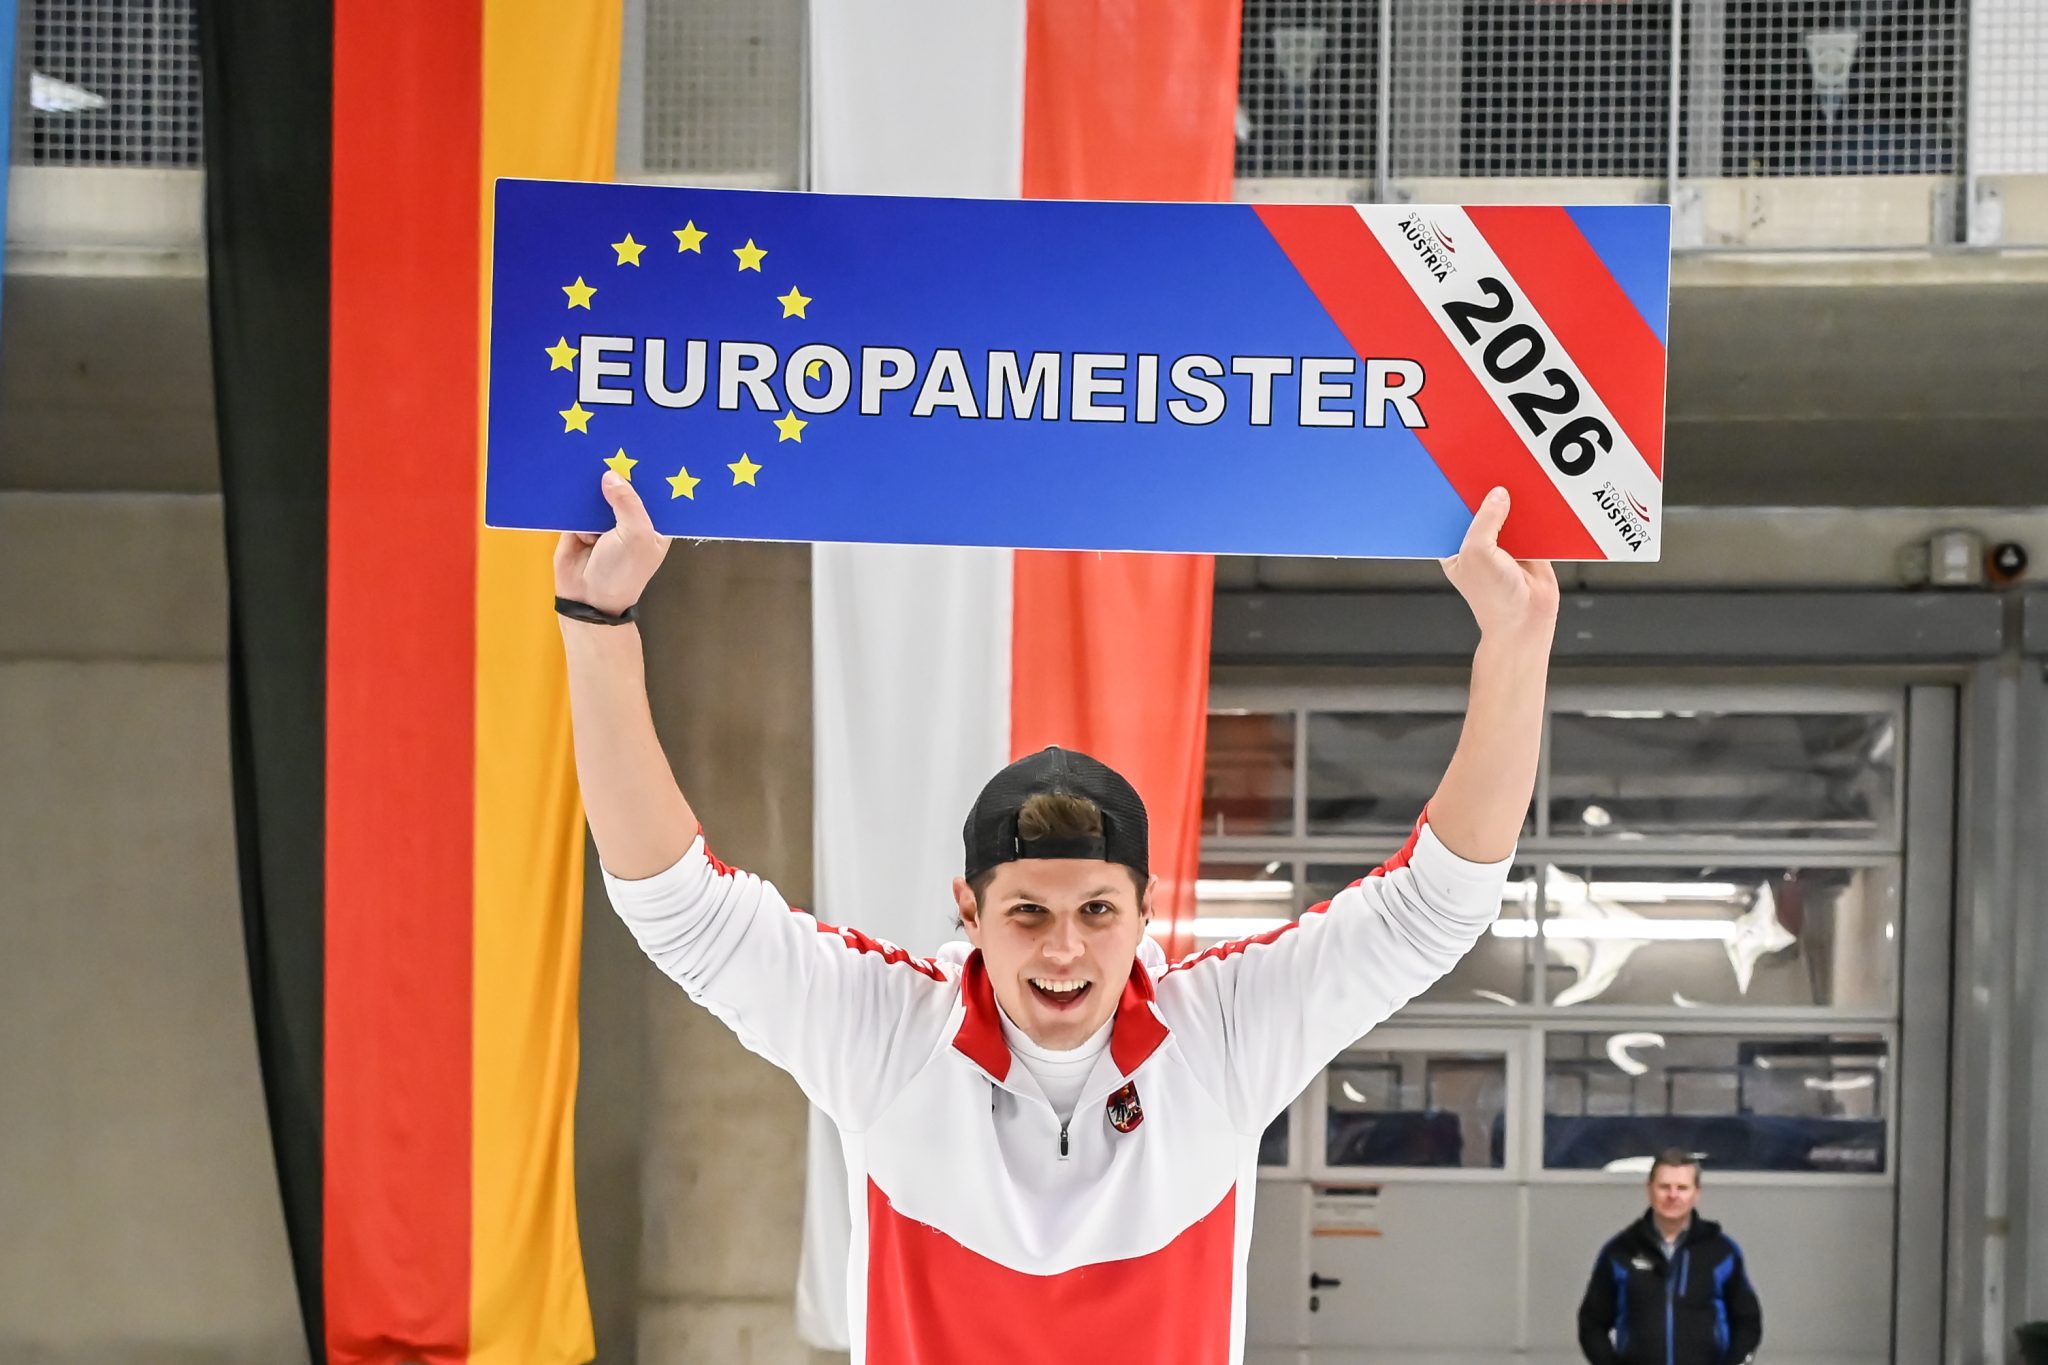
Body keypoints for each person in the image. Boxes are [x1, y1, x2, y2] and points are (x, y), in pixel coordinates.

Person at [556, 471, 1556, 1364]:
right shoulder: (889, 1034)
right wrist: (596, 625)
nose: (1065, 947)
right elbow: (678, 909)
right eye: (1028, 911)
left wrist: (1516, 645)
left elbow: (1433, 907)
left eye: (1097, 910)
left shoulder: (1221, 1036)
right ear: (968, 909)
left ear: (1146, 909)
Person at [1577, 1149, 1764, 1365]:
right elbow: (1592, 1324)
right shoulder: (1620, 1251)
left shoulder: (1721, 1252)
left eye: (1682, 1188)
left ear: (1696, 1193)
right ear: (1649, 1190)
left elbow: (1747, 1322)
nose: (1673, 1195)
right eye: (1664, 1187)